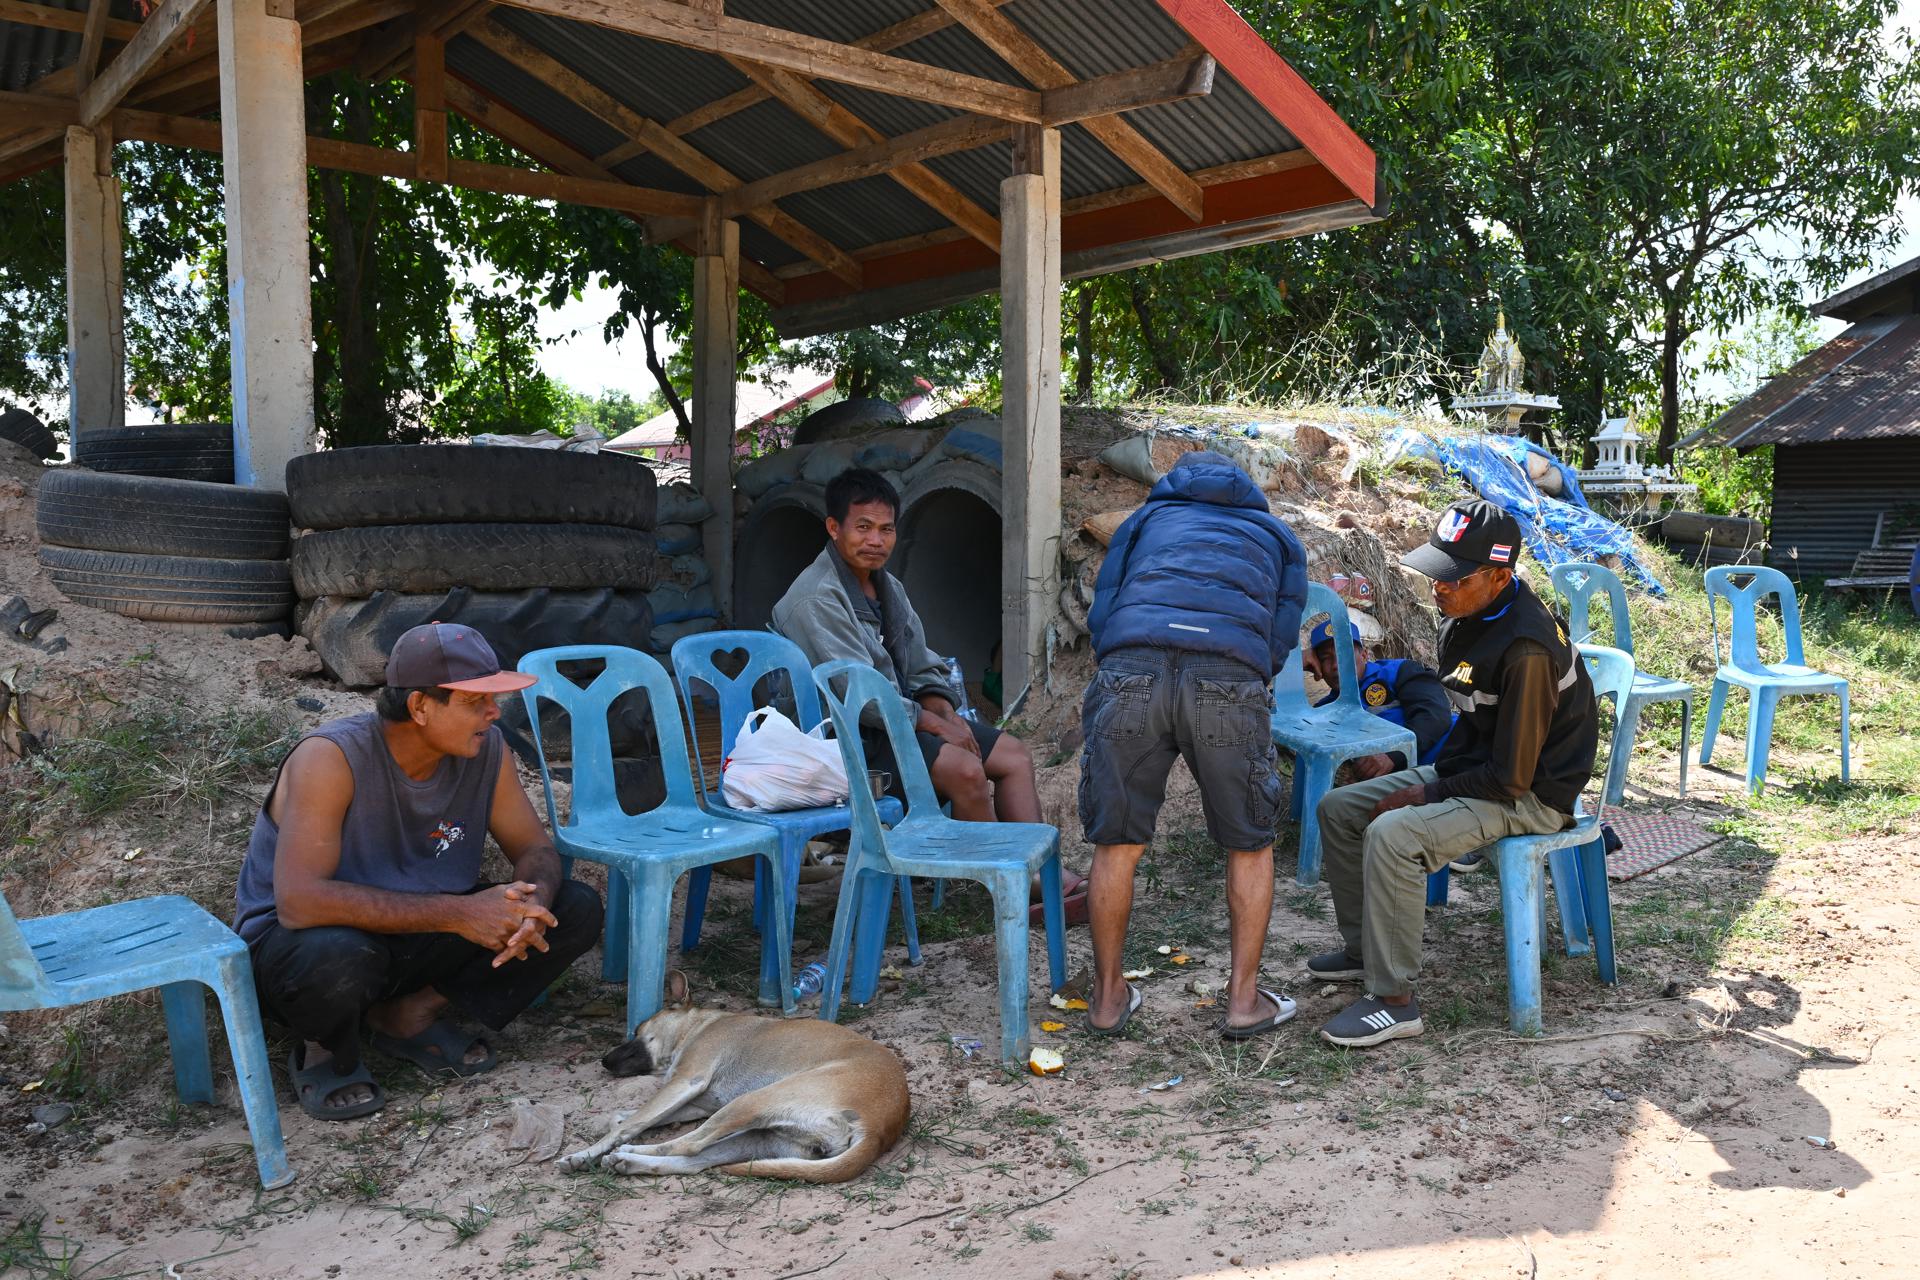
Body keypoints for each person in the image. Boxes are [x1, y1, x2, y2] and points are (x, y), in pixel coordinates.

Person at [234, 623, 604, 1119]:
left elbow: (534, 847)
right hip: (308, 943)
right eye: (476, 702)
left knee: (572, 907)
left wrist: (533, 903)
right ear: (420, 707)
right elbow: (300, 903)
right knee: (334, 952)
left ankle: (407, 1016)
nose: (494, 713)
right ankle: (324, 1047)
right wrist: (459, 913)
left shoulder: (488, 749)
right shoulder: (330, 757)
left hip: (418, 931)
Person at [1310, 500, 1597, 1048]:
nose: (1438, 588)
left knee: (1394, 834)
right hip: (1481, 769)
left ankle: (1394, 1002)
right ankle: (1365, 953)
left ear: (1500, 575)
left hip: (1530, 793)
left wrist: (1426, 791)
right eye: (1436, 573)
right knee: (1340, 809)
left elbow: (1514, 777)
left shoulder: (1526, 649)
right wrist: (1424, 777)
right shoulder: (1469, 614)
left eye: (1453, 578)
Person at [772, 468, 1087, 915]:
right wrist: (937, 726)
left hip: (898, 724)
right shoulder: (816, 598)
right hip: (844, 740)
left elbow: (922, 664)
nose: (875, 540)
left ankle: (1045, 871)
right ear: (833, 527)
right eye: (862, 527)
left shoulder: (888, 587)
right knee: (964, 769)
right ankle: (1011, 886)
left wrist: (947, 713)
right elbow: (857, 693)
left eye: (886, 529)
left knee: (1014, 756)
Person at [1078, 450, 1309, 1038]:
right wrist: (1246, 675)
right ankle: (1243, 1001)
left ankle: (1106, 999)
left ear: (1173, 486)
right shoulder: (1277, 535)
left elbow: (1105, 607)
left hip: (1133, 671)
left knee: (1117, 843)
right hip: (1227, 678)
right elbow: (1280, 630)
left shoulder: (1144, 522)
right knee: (1250, 844)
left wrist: (1123, 662)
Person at [1303, 618, 1456, 779]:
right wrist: (1294, 662)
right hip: (1417, 780)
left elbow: (1435, 716)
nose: (1335, 665)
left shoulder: (1399, 671)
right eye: (1325, 658)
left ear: (1364, 655)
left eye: (1344, 653)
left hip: (1457, 751)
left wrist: (1393, 755)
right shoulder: (1324, 711)